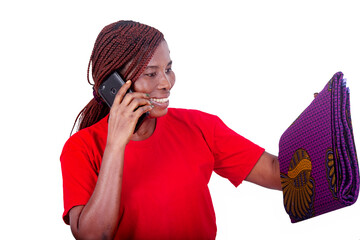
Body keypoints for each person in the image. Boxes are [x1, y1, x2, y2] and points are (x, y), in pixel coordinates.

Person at [60, 20, 281, 240]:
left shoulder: (200, 127)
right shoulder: (81, 148)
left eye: (168, 69)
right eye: (151, 73)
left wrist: (315, 121)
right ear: (114, 84)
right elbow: (93, 237)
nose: (167, 83)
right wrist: (116, 145)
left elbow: (276, 172)